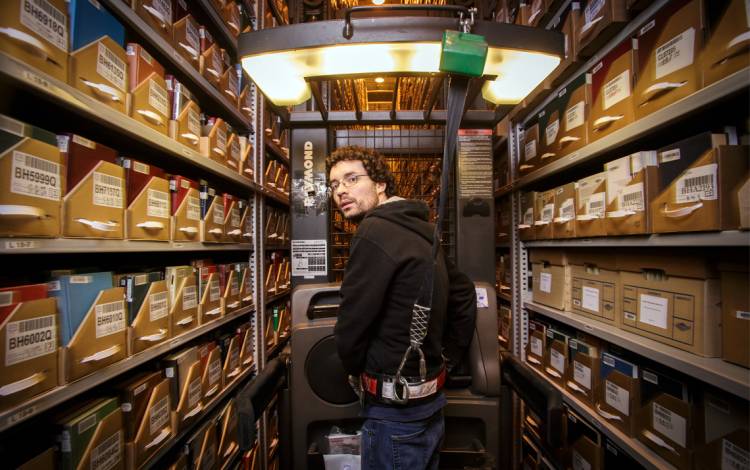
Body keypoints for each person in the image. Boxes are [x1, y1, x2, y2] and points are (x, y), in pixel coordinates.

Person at [326, 145, 477, 470]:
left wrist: (354, 370)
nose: (341, 191)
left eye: (352, 179)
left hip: (393, 413)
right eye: (335, 184)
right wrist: (445, 359)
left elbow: (351, 327)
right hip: (429, 405)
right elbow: (463, 293)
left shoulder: (373, 231)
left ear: (380, 184)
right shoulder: (424, 232)